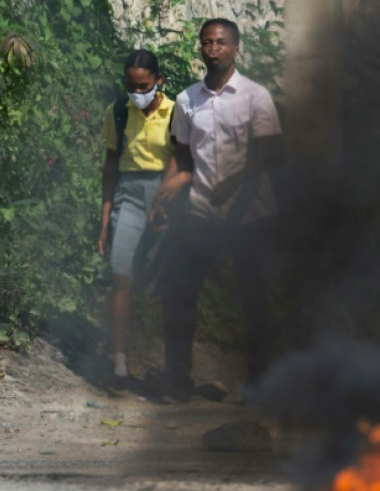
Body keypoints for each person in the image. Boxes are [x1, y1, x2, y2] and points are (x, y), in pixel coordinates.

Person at [147, 18, 282, 402]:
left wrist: (236, 180)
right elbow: (182, 156)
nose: (213, 48)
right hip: (203, 209)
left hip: (250, 212)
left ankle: (262, 384)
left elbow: (271, 151)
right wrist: (163, 194)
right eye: (206, 42)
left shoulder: (256, 96)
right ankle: (177, 379)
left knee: (253, 296)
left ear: (236, 47)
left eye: (220, 42)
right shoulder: (188, 100)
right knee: (180, 289)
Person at [97, 49, 176, 385]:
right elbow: (111, 165)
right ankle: (119, 363)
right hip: (128, 195)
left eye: (143, 85)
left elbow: (184, 158)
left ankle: (171, 366)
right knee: (121, 274)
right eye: (131, 85)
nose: (137, 92)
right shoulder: (118, 111)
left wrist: (169, 198)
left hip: (167, 194)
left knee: (167, 282)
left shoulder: (176, 112)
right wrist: (105, 218)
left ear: (158, 80)